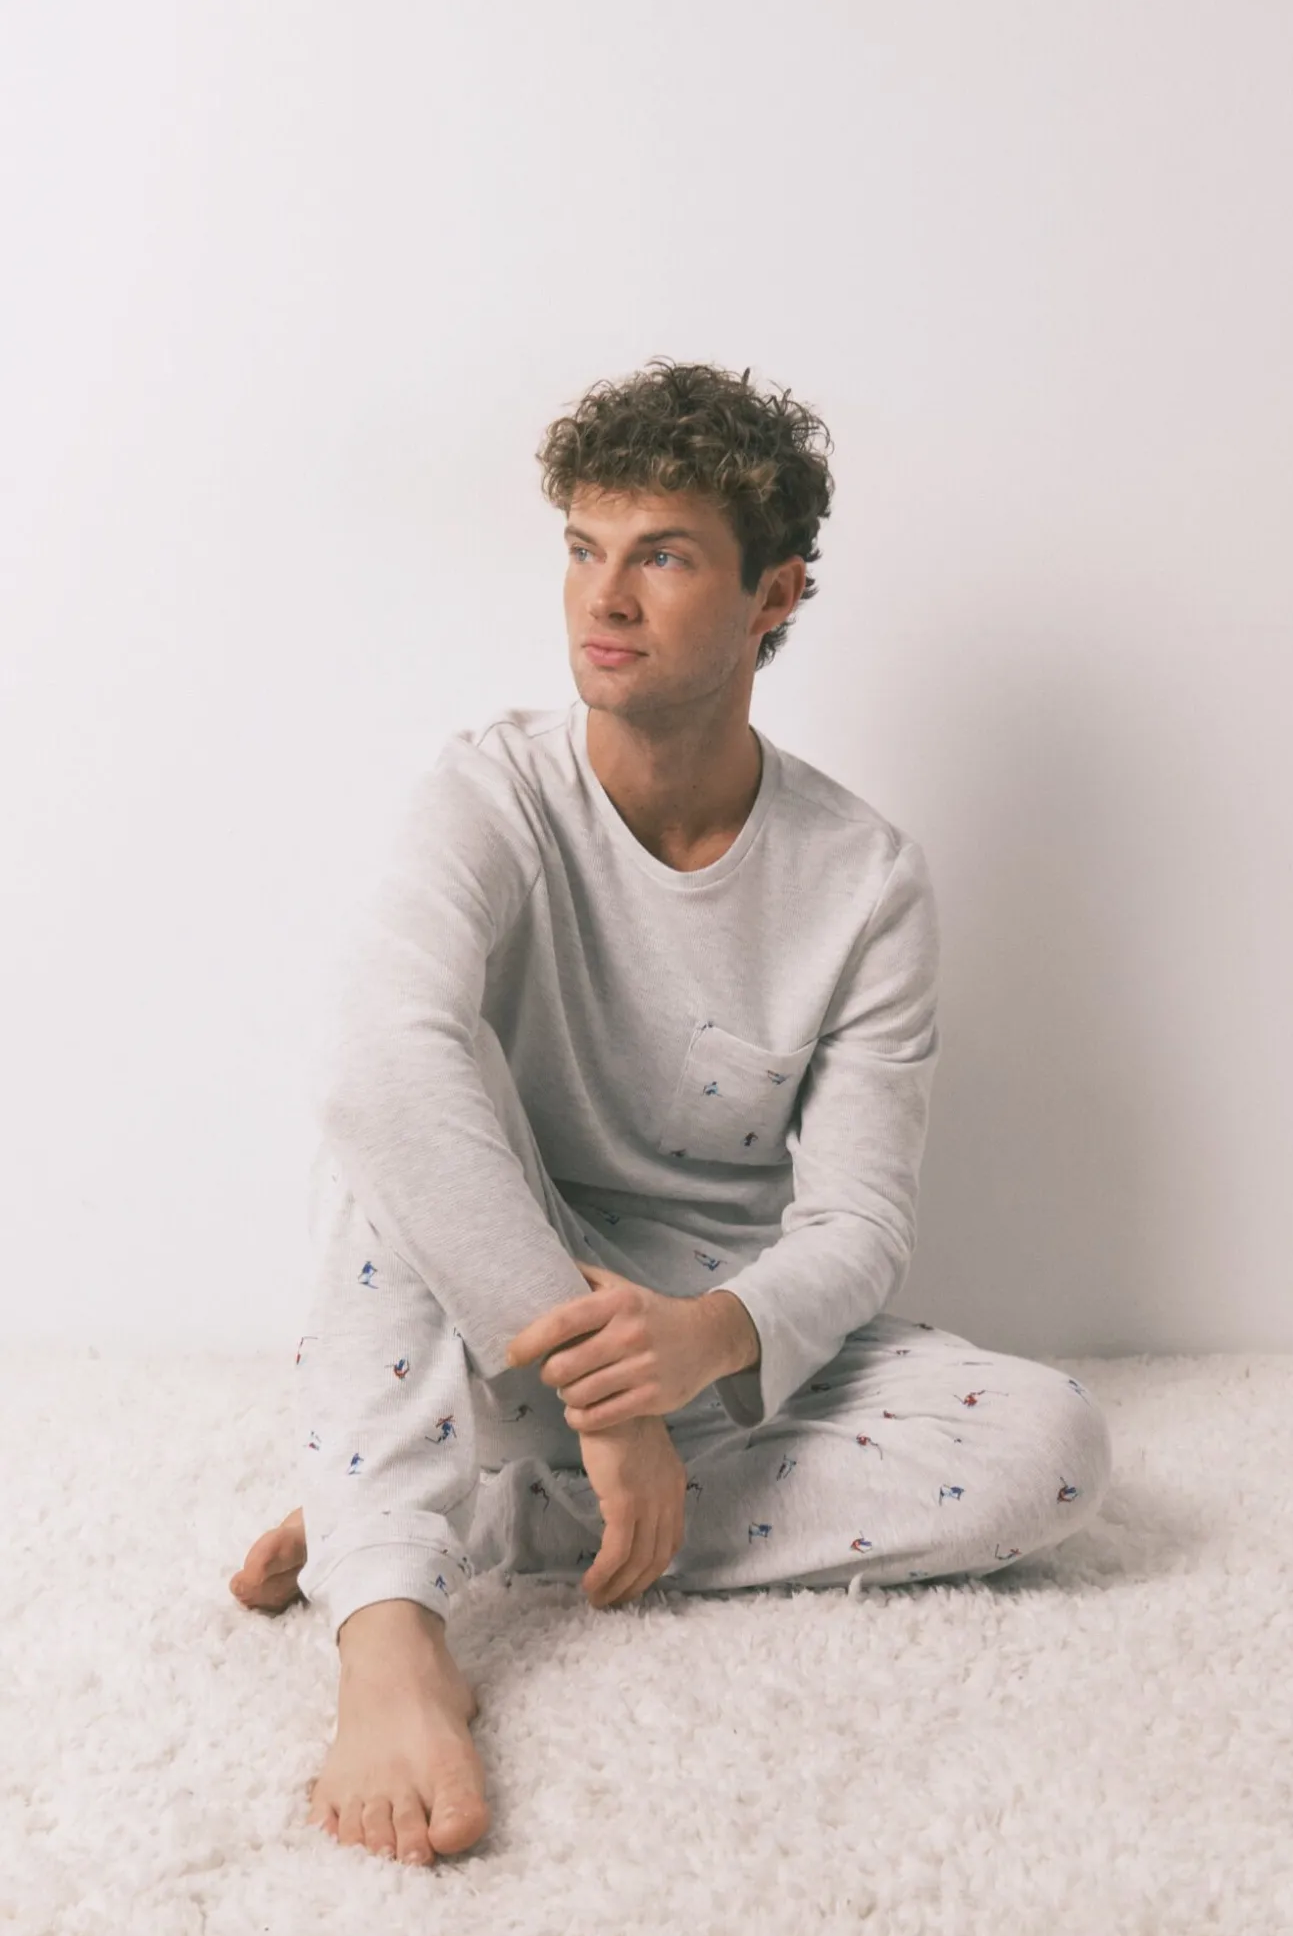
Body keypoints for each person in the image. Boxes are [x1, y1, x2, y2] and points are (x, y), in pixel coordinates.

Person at [229, 358, 1113, 1870]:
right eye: (584, 546)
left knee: (1055, 1446)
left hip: (701, 1343)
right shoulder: (492, 792)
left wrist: (702, 1341)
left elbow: (857, 1222)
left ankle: (452, 1512)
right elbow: (377, 1075)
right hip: (493, 1324)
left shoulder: (866, 881)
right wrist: (608, 1403)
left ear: (777, 594)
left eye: (663, 555)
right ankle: (390, 1630)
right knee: (406, 1082)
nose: (605, 594)